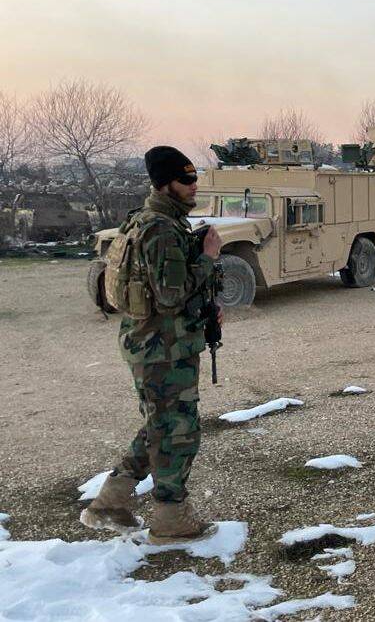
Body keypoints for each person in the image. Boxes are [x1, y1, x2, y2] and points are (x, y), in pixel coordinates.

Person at [81, 146, 222, 543]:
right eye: (187, 180)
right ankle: (170, 520)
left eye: (195, 178)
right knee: (177, 431)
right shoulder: (158, 227)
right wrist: (209, 257)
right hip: (162, 348)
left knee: (161, 424)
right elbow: (171, 295)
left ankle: (110, 503)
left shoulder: (151, 222)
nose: (194, 187)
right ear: (165, 184)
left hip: (157, 343)